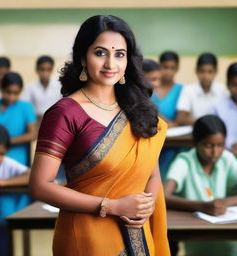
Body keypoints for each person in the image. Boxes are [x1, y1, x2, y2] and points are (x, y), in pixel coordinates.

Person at [29, 15, 170, 256]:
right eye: (100, 53)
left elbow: (152, 175)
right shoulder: (65, 113)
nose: (110, 64)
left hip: (140, 234)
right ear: (83, 57)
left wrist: (146, 207)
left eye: (119, 54)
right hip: (86, 237)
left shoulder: (139, 109)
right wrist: (112, 206)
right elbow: (40, 186)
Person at [164, 115, 237, 256]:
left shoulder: (226, 158)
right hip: (196, 247)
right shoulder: (184, 161)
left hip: (227, 247)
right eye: (208, 145)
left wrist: (226, 202)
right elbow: (163, 196)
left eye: (220, 145)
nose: (215, 152)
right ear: (196, 143)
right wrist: (201, 206)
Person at [0, 123, 30, 256]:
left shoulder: (7, 164)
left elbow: (32, 176)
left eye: (1, 154)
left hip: (1, 224)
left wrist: (3, 182)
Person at [148, 51, 183, 179]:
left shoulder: (181, 90)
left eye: (172, 68)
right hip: (151, 136)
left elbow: (181, 118)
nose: (168, 71)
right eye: (165, 67)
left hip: (171, 141)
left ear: (177, 68)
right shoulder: (150, 87)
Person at [0, 72, 37, 166]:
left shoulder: (26, 108)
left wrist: (6, 142)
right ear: (1, 88)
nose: (11, 97)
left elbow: (33, 134)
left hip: (17, 161)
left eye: (16, 93)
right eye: (8, 92)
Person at [176, 53, 228, 125]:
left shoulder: (222, 90)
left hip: (217, 132)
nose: (206, 76)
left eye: (210, 72)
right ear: (196, 71)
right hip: (196, 131)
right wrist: (205, 124)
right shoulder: (188, 89)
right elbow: (180, 118)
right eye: (202, 71)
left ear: (216, 72)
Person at [212, 62, 237, 167]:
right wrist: (231, 145)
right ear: (228, 84)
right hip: (225, 160)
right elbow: (212, 135)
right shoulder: (217, 108)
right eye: (235, 85)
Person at [22, 55, 61, 123]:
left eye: (48, 69)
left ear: (52, 70)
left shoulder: (59, 86)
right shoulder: (30, 87)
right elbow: (25, 107)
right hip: (36, 122)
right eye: (42, 69)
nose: (45, 73)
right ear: (37, 69)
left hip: (55, 121)